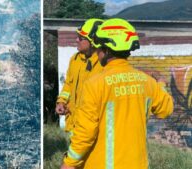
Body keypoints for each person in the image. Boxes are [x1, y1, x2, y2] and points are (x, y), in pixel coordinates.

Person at [61, 18, 174, 169]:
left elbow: (85, 133)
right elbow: (166, 109)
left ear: (106, 51)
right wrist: (161, 84)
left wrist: (69, 163)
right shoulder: (147, 82)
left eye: (99, 48)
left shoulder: (95, 84)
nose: (97, 52)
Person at [56, 18, 104, 133]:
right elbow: (68, 84)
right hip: (74, 123)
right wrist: (61, 101)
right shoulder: (75, 59)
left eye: (81, 38)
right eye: (77, 36)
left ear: (94, 41)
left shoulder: (104, 64)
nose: (76, 40)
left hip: (93, 127)